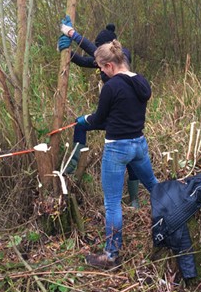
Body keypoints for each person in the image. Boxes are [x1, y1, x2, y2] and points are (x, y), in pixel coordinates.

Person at [74, 39, 158, 268]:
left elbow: (101, 119)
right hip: (139, 144)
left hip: (117, 148)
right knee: (154, 186)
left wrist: (85, 121)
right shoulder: (141, 81)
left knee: (112, 203)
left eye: (101, 68)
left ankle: (111, 255)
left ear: (110, 65)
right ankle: (175, 218)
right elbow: (120, 114)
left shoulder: (111, 87)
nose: (100, 72)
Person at [58, 17, 140, 208]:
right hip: (110, 115)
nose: (99, 62)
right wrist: (65, 50)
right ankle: (73, 164)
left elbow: (93, 53)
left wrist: (73, 34)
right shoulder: (103, 62)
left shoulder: (123, 56)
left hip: (125, 116)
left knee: (129, 152)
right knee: (81, 125)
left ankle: (134, 199)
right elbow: (82, 60)